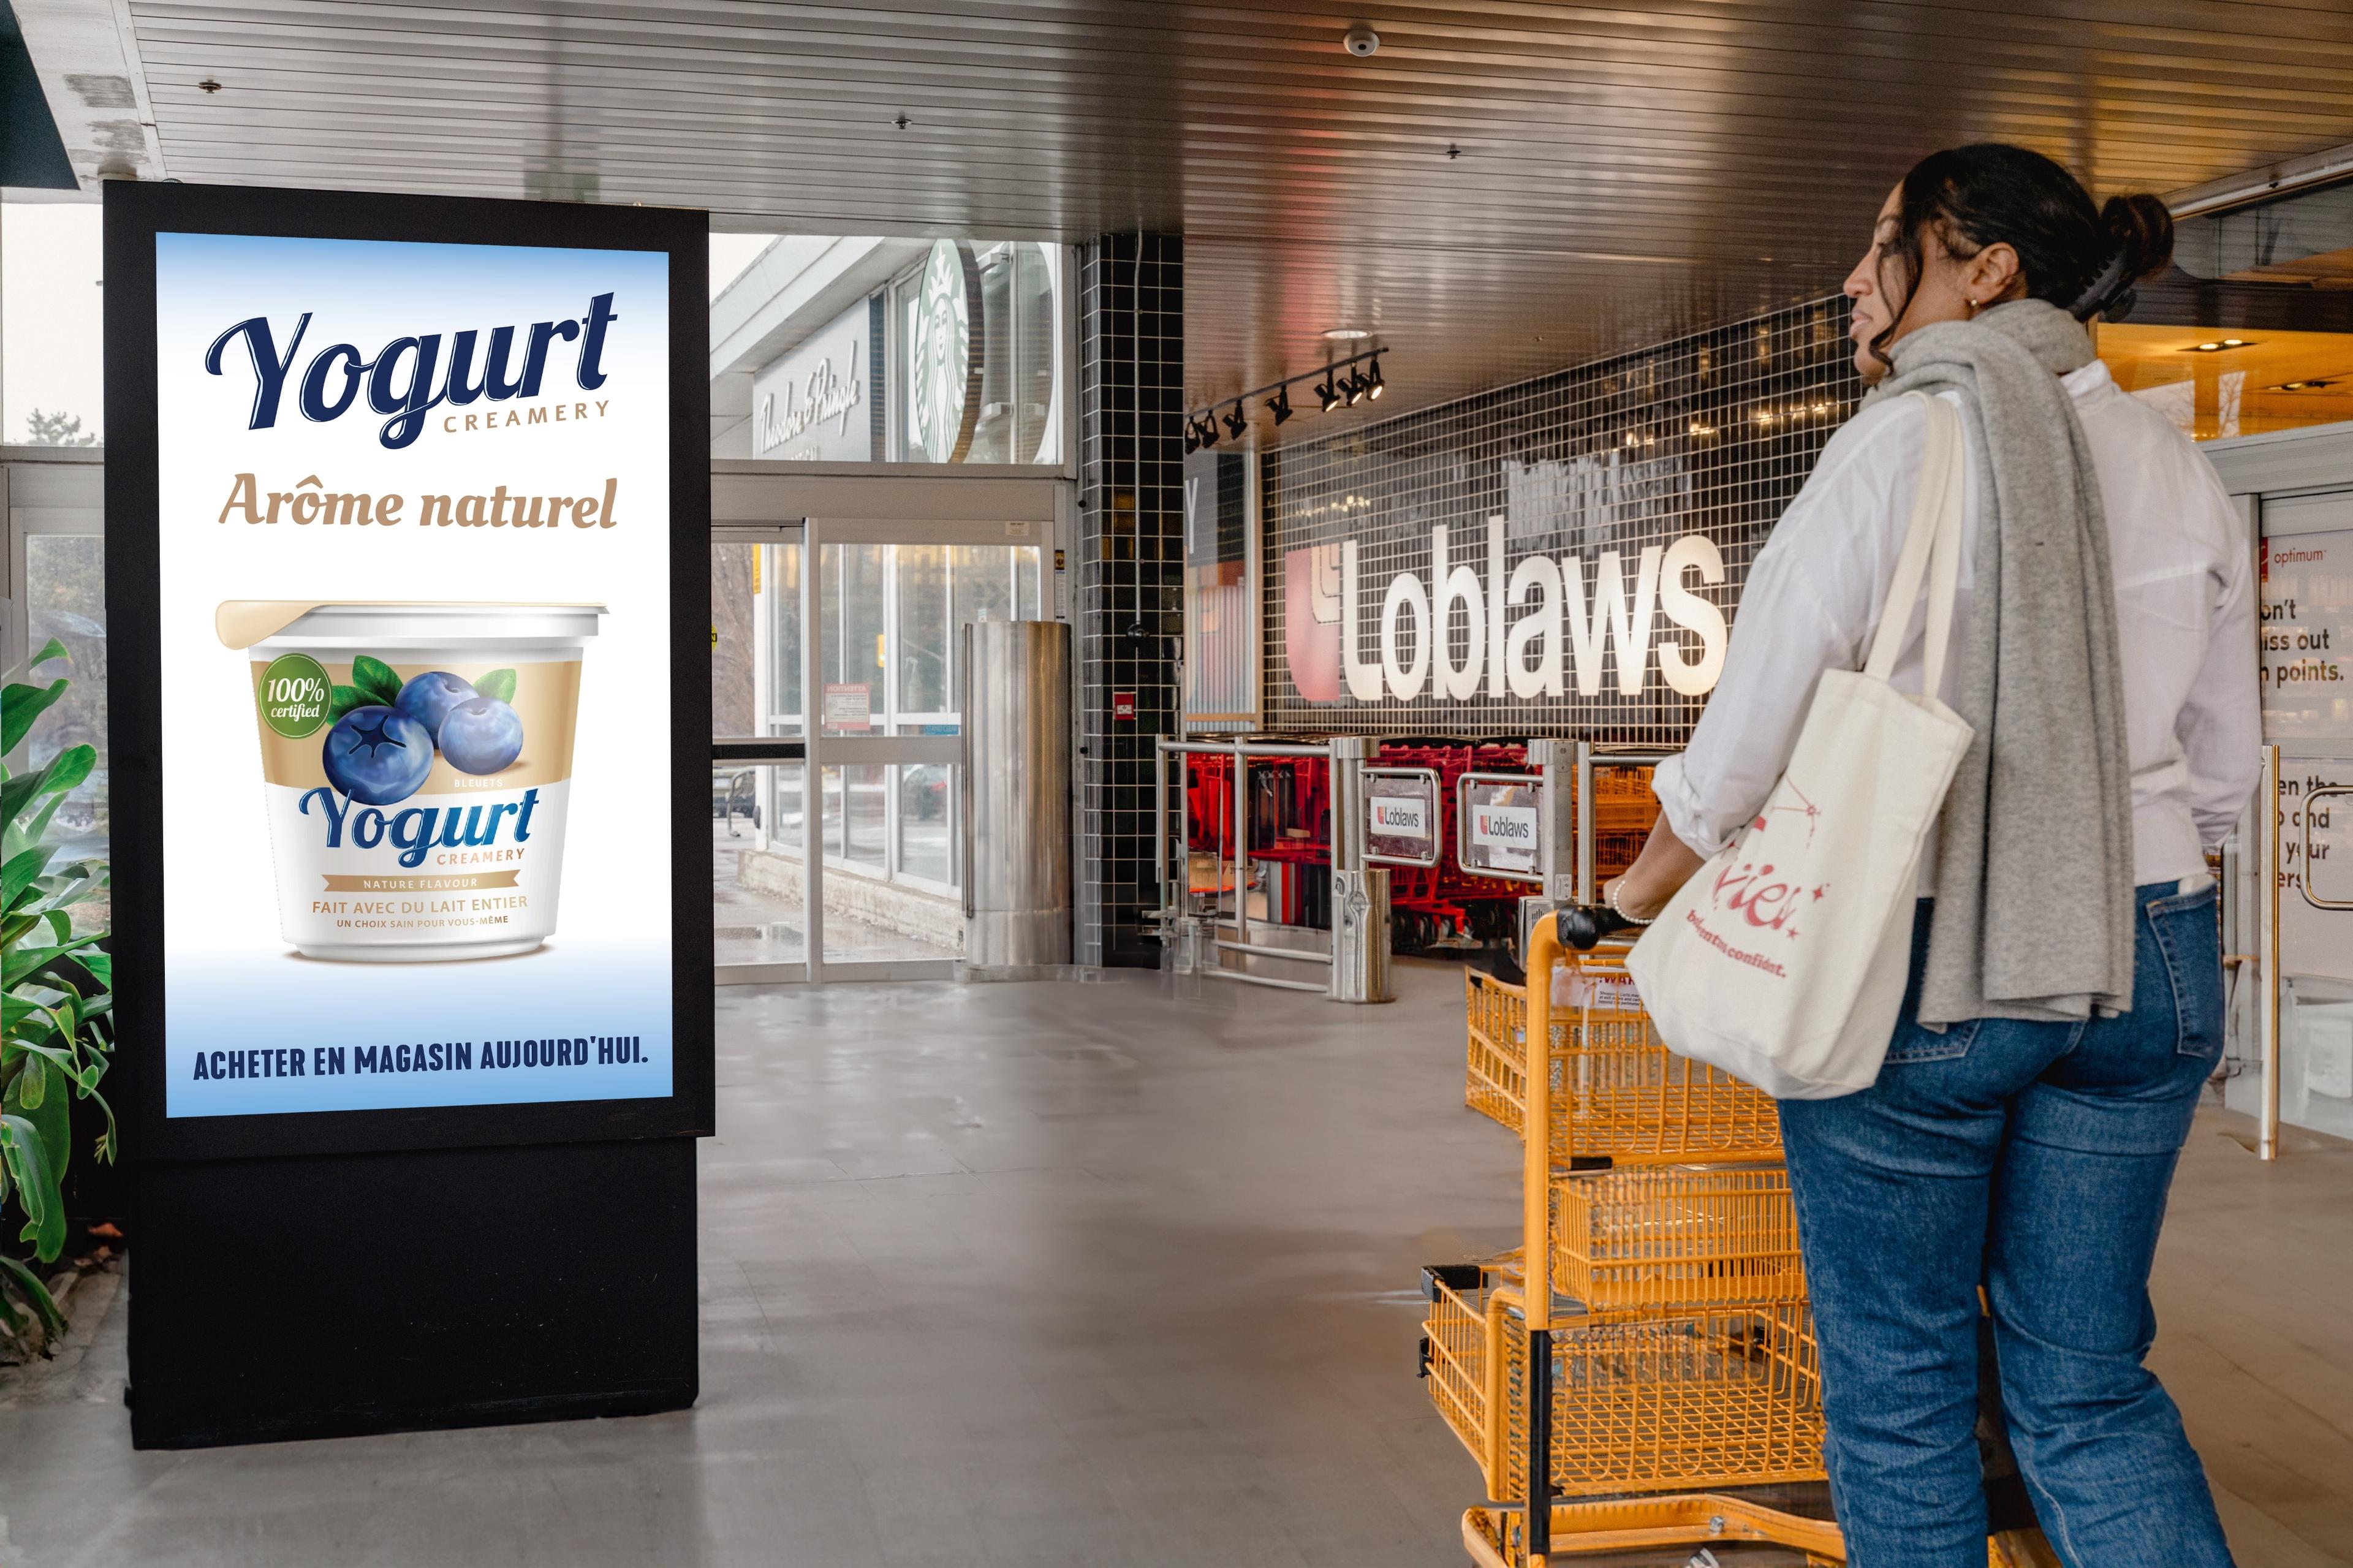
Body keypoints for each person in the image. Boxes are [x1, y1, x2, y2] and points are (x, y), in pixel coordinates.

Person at [1602, 143, 2256, 1567]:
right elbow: (2220, 768)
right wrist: (2135, 875)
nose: (1854, 279)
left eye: (1883, 243)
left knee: (1900, 1399)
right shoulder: (2174, 462)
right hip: (2152, 942)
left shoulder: (1906, 439)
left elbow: (1759, 710)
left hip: (1939, 956)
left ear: (1983, 265)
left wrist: (1643, 888)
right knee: (2086, 1385)